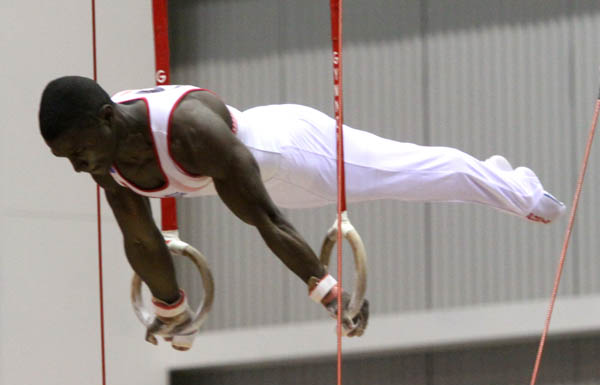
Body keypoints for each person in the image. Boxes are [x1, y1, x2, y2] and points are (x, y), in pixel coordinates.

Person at [38, 76, 565, 350]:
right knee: (413, 178)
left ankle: (523, 194)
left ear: (107, 118)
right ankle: (498, 179)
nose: (78, 166)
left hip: (295, 152)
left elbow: (263, 219)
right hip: (269, 183)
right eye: (67, 159)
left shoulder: (190, 132)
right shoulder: (106, 159)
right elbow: (140, 238)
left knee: (413, 174)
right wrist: (172, 310)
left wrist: (327, 290)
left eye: (78, 152)